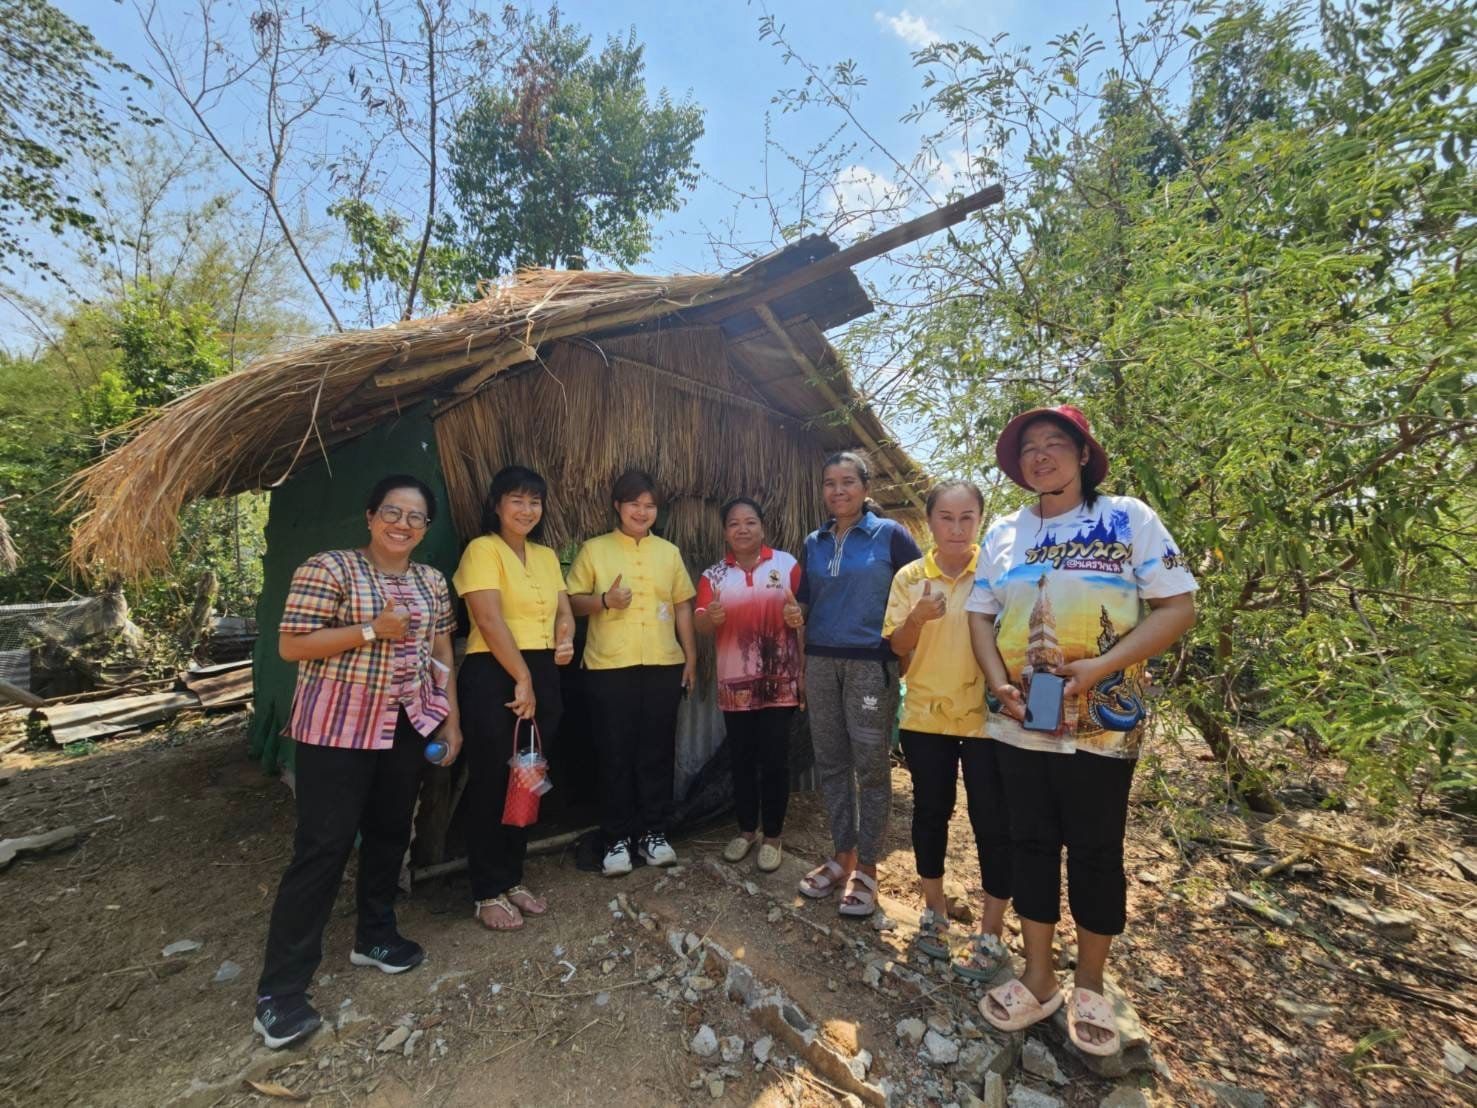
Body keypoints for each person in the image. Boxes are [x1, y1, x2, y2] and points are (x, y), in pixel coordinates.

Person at [966, 404, 1196, 1057]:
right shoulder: (1004, 531)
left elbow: (1177, 606)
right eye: (1029, 446)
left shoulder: (1127, 517)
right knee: (1030, 843)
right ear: (1017, 463)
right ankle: (1038, 979)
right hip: (1017, 719)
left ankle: (1090, 983)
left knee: (1096, 851)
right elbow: (980, 617)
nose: (1041, 455)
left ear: (1082, 453)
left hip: (1101, 721)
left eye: (1055, 444)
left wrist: (1099, 665)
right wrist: (997, 684)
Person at [254, 474, 461, 1050]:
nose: (402, 524)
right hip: (337, 729)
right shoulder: (330, 568)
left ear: (425, 529)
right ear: (370, 516)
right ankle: (281, 992)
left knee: (392, 832)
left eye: (416, 517)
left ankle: (375, 935)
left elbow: (441, 647)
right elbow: (293, 644)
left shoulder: (429, 581)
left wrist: (451, 717)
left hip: (405, 722)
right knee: (323, 847)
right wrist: (372, 630)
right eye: (392, 512)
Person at [883, 479, 1012, 980]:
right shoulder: (911, 576)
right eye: (945, 518)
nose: (956, 529)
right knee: (931, 814)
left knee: (992, 821)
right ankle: (933, 913)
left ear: (980, 520)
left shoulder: (1001, 574)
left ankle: (992, 932)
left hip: (987, 719)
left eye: (967, 518)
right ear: (930, 521)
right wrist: (917, 617)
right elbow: (897, 648)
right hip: (926, 717)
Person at [794, 451, 922, 916]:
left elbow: (921, 591)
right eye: (830, 483)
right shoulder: (814, 541)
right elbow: (806, 601)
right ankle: (841, 854)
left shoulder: (891, 536)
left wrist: (904, 654)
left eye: (847, 481)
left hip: (872, 663)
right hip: (821, 663)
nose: (838, 491)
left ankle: (868, 865)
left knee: (870, 766)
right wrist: (796, 615)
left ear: (866, 488)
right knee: (830, 762)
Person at [453, 466, 574, 932]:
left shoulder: (545, 555)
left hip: (542, 671)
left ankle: (512, 876)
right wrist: (521, 677)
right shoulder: (482, 550)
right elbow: (487, 619)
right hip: (494, 673)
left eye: (535, 501)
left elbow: (563, 612)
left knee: (528, 776)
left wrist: (564, 639)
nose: (527, 510)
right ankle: (486, 890)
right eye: (517, 500)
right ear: (497, 504)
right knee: (492, 780)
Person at [566, 469, 697, 876]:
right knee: (614, 753)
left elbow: (681, 606)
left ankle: (654, 834)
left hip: (662, 663)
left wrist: (690, 656)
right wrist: (605, 600)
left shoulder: (669, 552)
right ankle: (616, 839)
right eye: (634, 503)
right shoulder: (594, 549)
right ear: (617, 506)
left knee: (656, 752)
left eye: (650, 505)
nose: (642, 511)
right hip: (610, 666)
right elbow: (570, 602)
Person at [694, 497, 805, 873]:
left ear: (762, 527)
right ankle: (746, 831)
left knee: (775, 761)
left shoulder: (786, 564)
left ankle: (773, 836)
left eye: (750, 522)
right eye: (734, 523)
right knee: (741, 762)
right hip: (735, 683)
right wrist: (711, 616)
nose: (742, 529)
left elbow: (803, 611)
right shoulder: (713, 576)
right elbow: (701, 625)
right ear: (725, 532)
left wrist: (797, 615)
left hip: (781, 682)